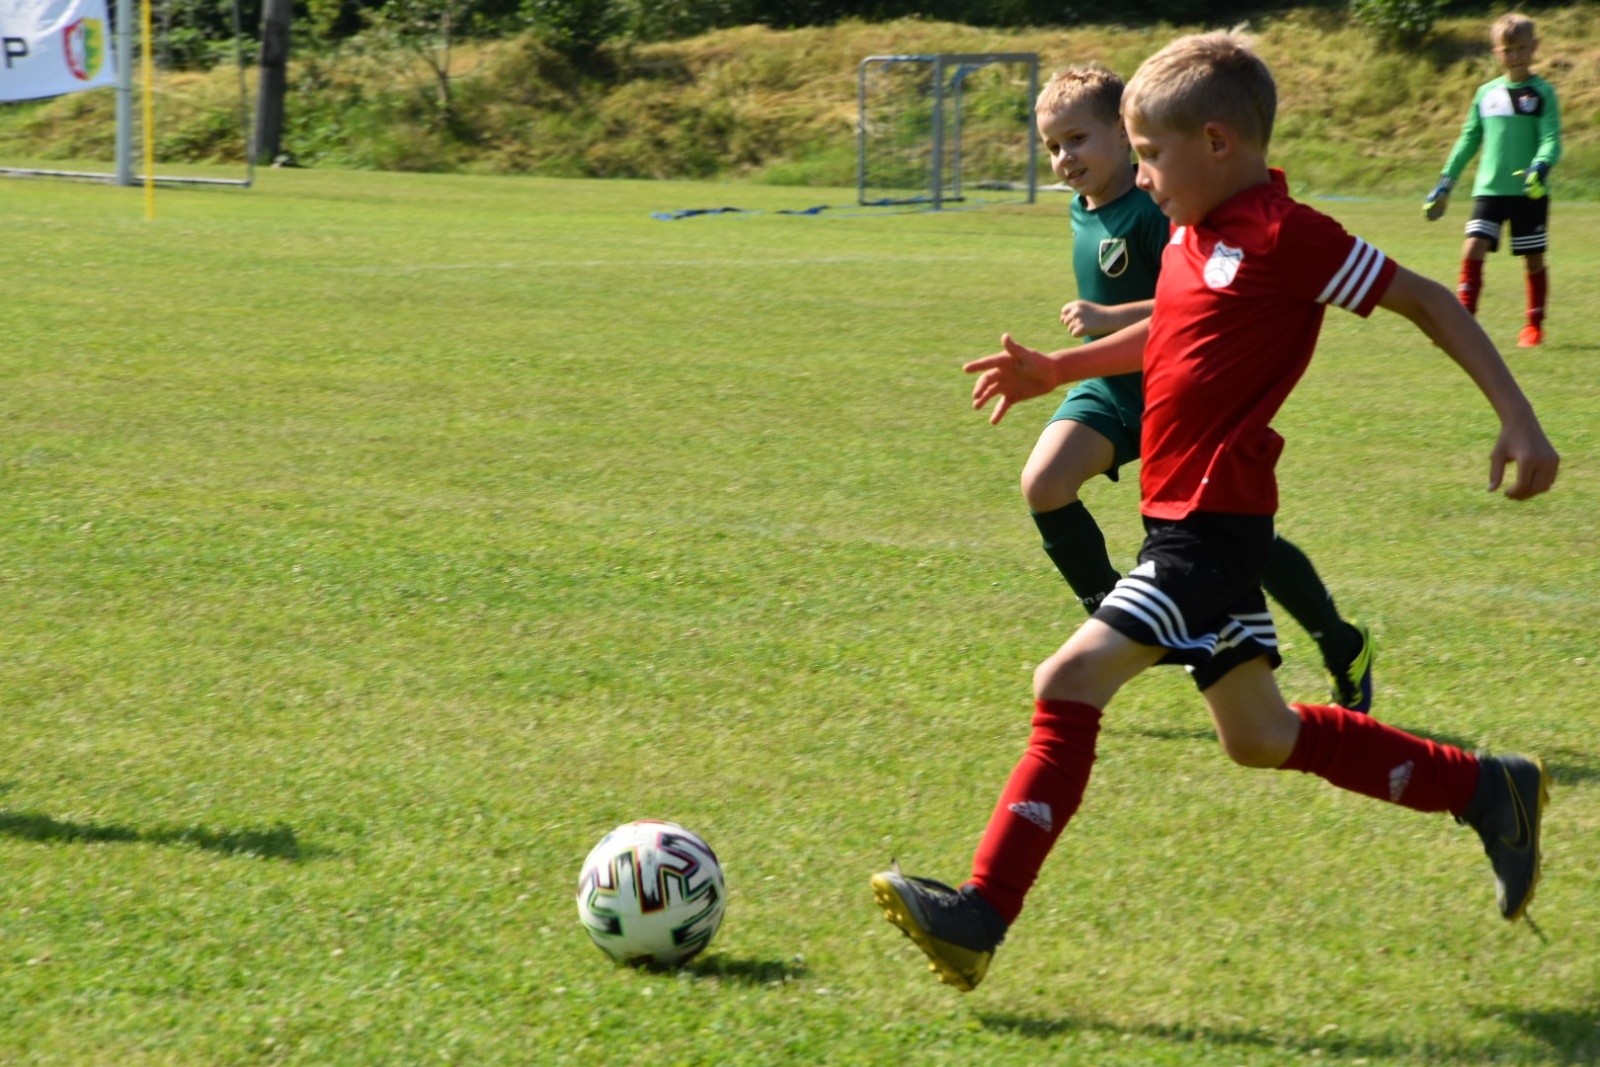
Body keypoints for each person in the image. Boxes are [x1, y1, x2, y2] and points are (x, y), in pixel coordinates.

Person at [872, 31, 1560, 993]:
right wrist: (1056, 370)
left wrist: (1519, 420)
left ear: (1219, 143)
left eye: (1150, 155)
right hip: (1178, 519)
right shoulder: (1197, 234)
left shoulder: (1289, 234)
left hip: (1214, 528)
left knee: (1066, 679)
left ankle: (981, 913)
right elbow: (1173, 327)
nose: (1140, 176)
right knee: (1260, 735)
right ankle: (1489, 789)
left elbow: (1430, 300)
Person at [1028, 63, 1375, 711]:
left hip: (1180, 391)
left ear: (1121, 135)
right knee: (1044, 482)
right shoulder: (1087, 208)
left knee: (1240, 545)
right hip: (1111, 386)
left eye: (1078, 139)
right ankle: (1120, 616)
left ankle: (1337, 637)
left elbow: (1195, 301)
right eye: (1052, 146)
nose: (1064, 157)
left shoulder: (1163, 201)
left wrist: (1110, 318)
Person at [1423, 13, 1561, 348]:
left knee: (1532, 258)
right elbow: (1468, 139)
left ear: (1534, 48)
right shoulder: (1486, 94)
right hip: (1490, 189)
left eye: (1521, 48)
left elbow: (1551, 139)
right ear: (1496, 51)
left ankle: (1533, 326)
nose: (1514, 55)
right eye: (1507, 49)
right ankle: (1463, 321)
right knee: (1473, 245)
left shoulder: (1542, 93)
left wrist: (1539, 167)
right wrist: (1446, 181)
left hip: (1529, 191)